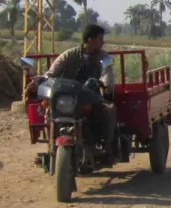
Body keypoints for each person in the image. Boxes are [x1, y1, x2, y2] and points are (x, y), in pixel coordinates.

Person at [38, 24, 120, 161]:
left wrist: (107, 85)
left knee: (110, 110)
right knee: (48, 111)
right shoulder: (70, 54)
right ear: (90, 40)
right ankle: (50, 147)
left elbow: (107, 72)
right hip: (66, 96)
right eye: (100, 39)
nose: (103, 42)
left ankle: (107, 148)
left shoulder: (104, 56)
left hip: (90, 95)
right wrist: (43, 79)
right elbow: (53, 71)